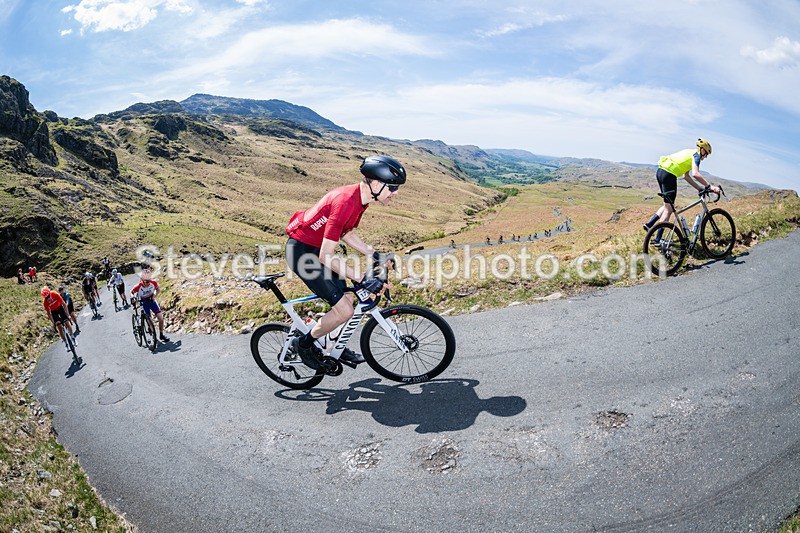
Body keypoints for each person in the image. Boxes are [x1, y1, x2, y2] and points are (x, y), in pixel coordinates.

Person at [284, 155, 404, 369]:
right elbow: (326, 257)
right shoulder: (345, 201)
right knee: (345, 310)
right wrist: (362, 277)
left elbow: (347, 233)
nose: (396, 193)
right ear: (376, 184)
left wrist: (375, 254)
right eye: (393, 188)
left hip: (318, 249)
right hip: (303, 254)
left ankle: (330, 344)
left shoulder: (360, 201)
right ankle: (303, 344)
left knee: (349, 298)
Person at [644, 138, 720, 236]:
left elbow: (686, 176)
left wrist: (699, 188)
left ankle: (649, 225)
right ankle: (658, 239)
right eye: (706, 154)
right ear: (702, 150)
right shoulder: (696, 156)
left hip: (661, 171)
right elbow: (695, 174)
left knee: (667, 205)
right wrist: (710, 186)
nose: (705, 157)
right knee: (669, 209)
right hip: (669, 175)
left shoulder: (689, 152)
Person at [129, 268, 170, 342]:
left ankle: (161, 335)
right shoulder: (138, 286)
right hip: (144, 302)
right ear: (142, 280)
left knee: (161, 319)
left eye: (149, 280)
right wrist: (132, 298)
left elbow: (158, 290)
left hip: (151, 300)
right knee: (149, 320)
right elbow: (131, 292)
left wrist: (154, 296)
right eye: (146, 281)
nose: (148, 283)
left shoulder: (153, 283)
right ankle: (154, 336)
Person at [41, 286, 76, 353]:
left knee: (67, 322)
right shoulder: (45, 302)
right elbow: (49, 314)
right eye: (46, 298)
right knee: (59, 327)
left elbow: (64, 304)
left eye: (48, 296)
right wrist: (54, 323)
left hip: (60, 308)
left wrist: (68, 315)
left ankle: (72, 337)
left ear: (50, 294)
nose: (48, 299)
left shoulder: (54, 294)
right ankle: (66, 343)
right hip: (54, 311)